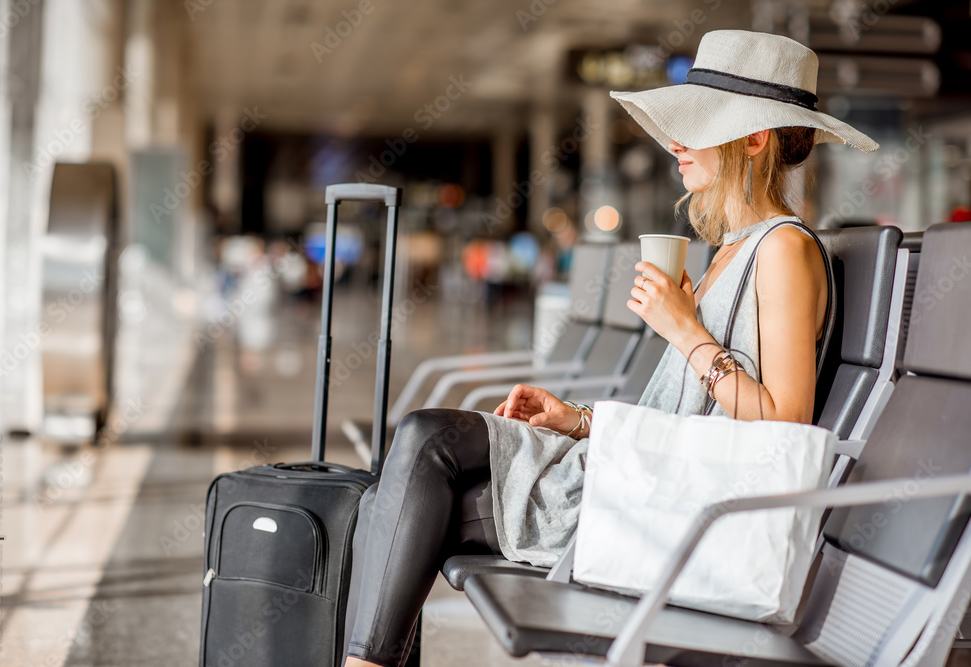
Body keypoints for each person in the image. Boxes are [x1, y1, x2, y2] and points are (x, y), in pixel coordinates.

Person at [341, 29, 878, 667]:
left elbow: (786, 425)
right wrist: (580, 419)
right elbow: (685, 409)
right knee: (425, 436)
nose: (675, 144)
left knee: (397, 489)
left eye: (697, 125)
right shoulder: (730, 252)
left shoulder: (785, 249)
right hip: (654, 476)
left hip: (680, 504)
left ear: (755, 138)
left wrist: (684, 328)